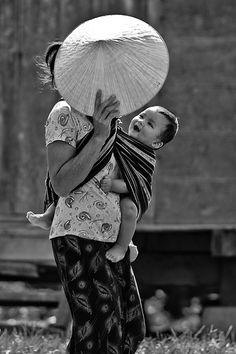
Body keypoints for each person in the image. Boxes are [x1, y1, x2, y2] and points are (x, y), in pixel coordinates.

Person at [28, 42, 147, 354]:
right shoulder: (64, 114)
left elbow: (124, 179)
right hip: (78, 235)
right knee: (96, 331)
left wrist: (127, 232)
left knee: (129, 329)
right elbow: (63, 182)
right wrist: (97, 136)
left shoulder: (109, 116)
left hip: (111, 237)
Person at [27, 106, 179, 263]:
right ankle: (48, 216)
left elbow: (137, 185)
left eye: (150, 124)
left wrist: (114, 185)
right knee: (78, 182)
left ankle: (123, 245)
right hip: (84, 217)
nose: (141, 122)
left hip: (126, 194)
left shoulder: (146, 157)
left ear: (156, 143)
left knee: (129, 210)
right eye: (142, 116)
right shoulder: (117, 136)